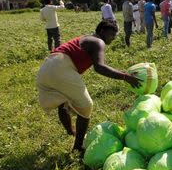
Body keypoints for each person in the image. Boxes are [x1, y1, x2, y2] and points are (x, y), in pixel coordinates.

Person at [36, 20, 141, 152]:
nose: (114, 37)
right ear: (102, 31)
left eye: (115, 35)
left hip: (48, 66)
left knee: (63, 101)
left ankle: (70, 131)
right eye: (111, 34)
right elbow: (100, 67)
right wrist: (126, 77)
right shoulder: (98, 42)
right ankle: (78, 147)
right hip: (61, 68)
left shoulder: (88, 37)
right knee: (86, 106)